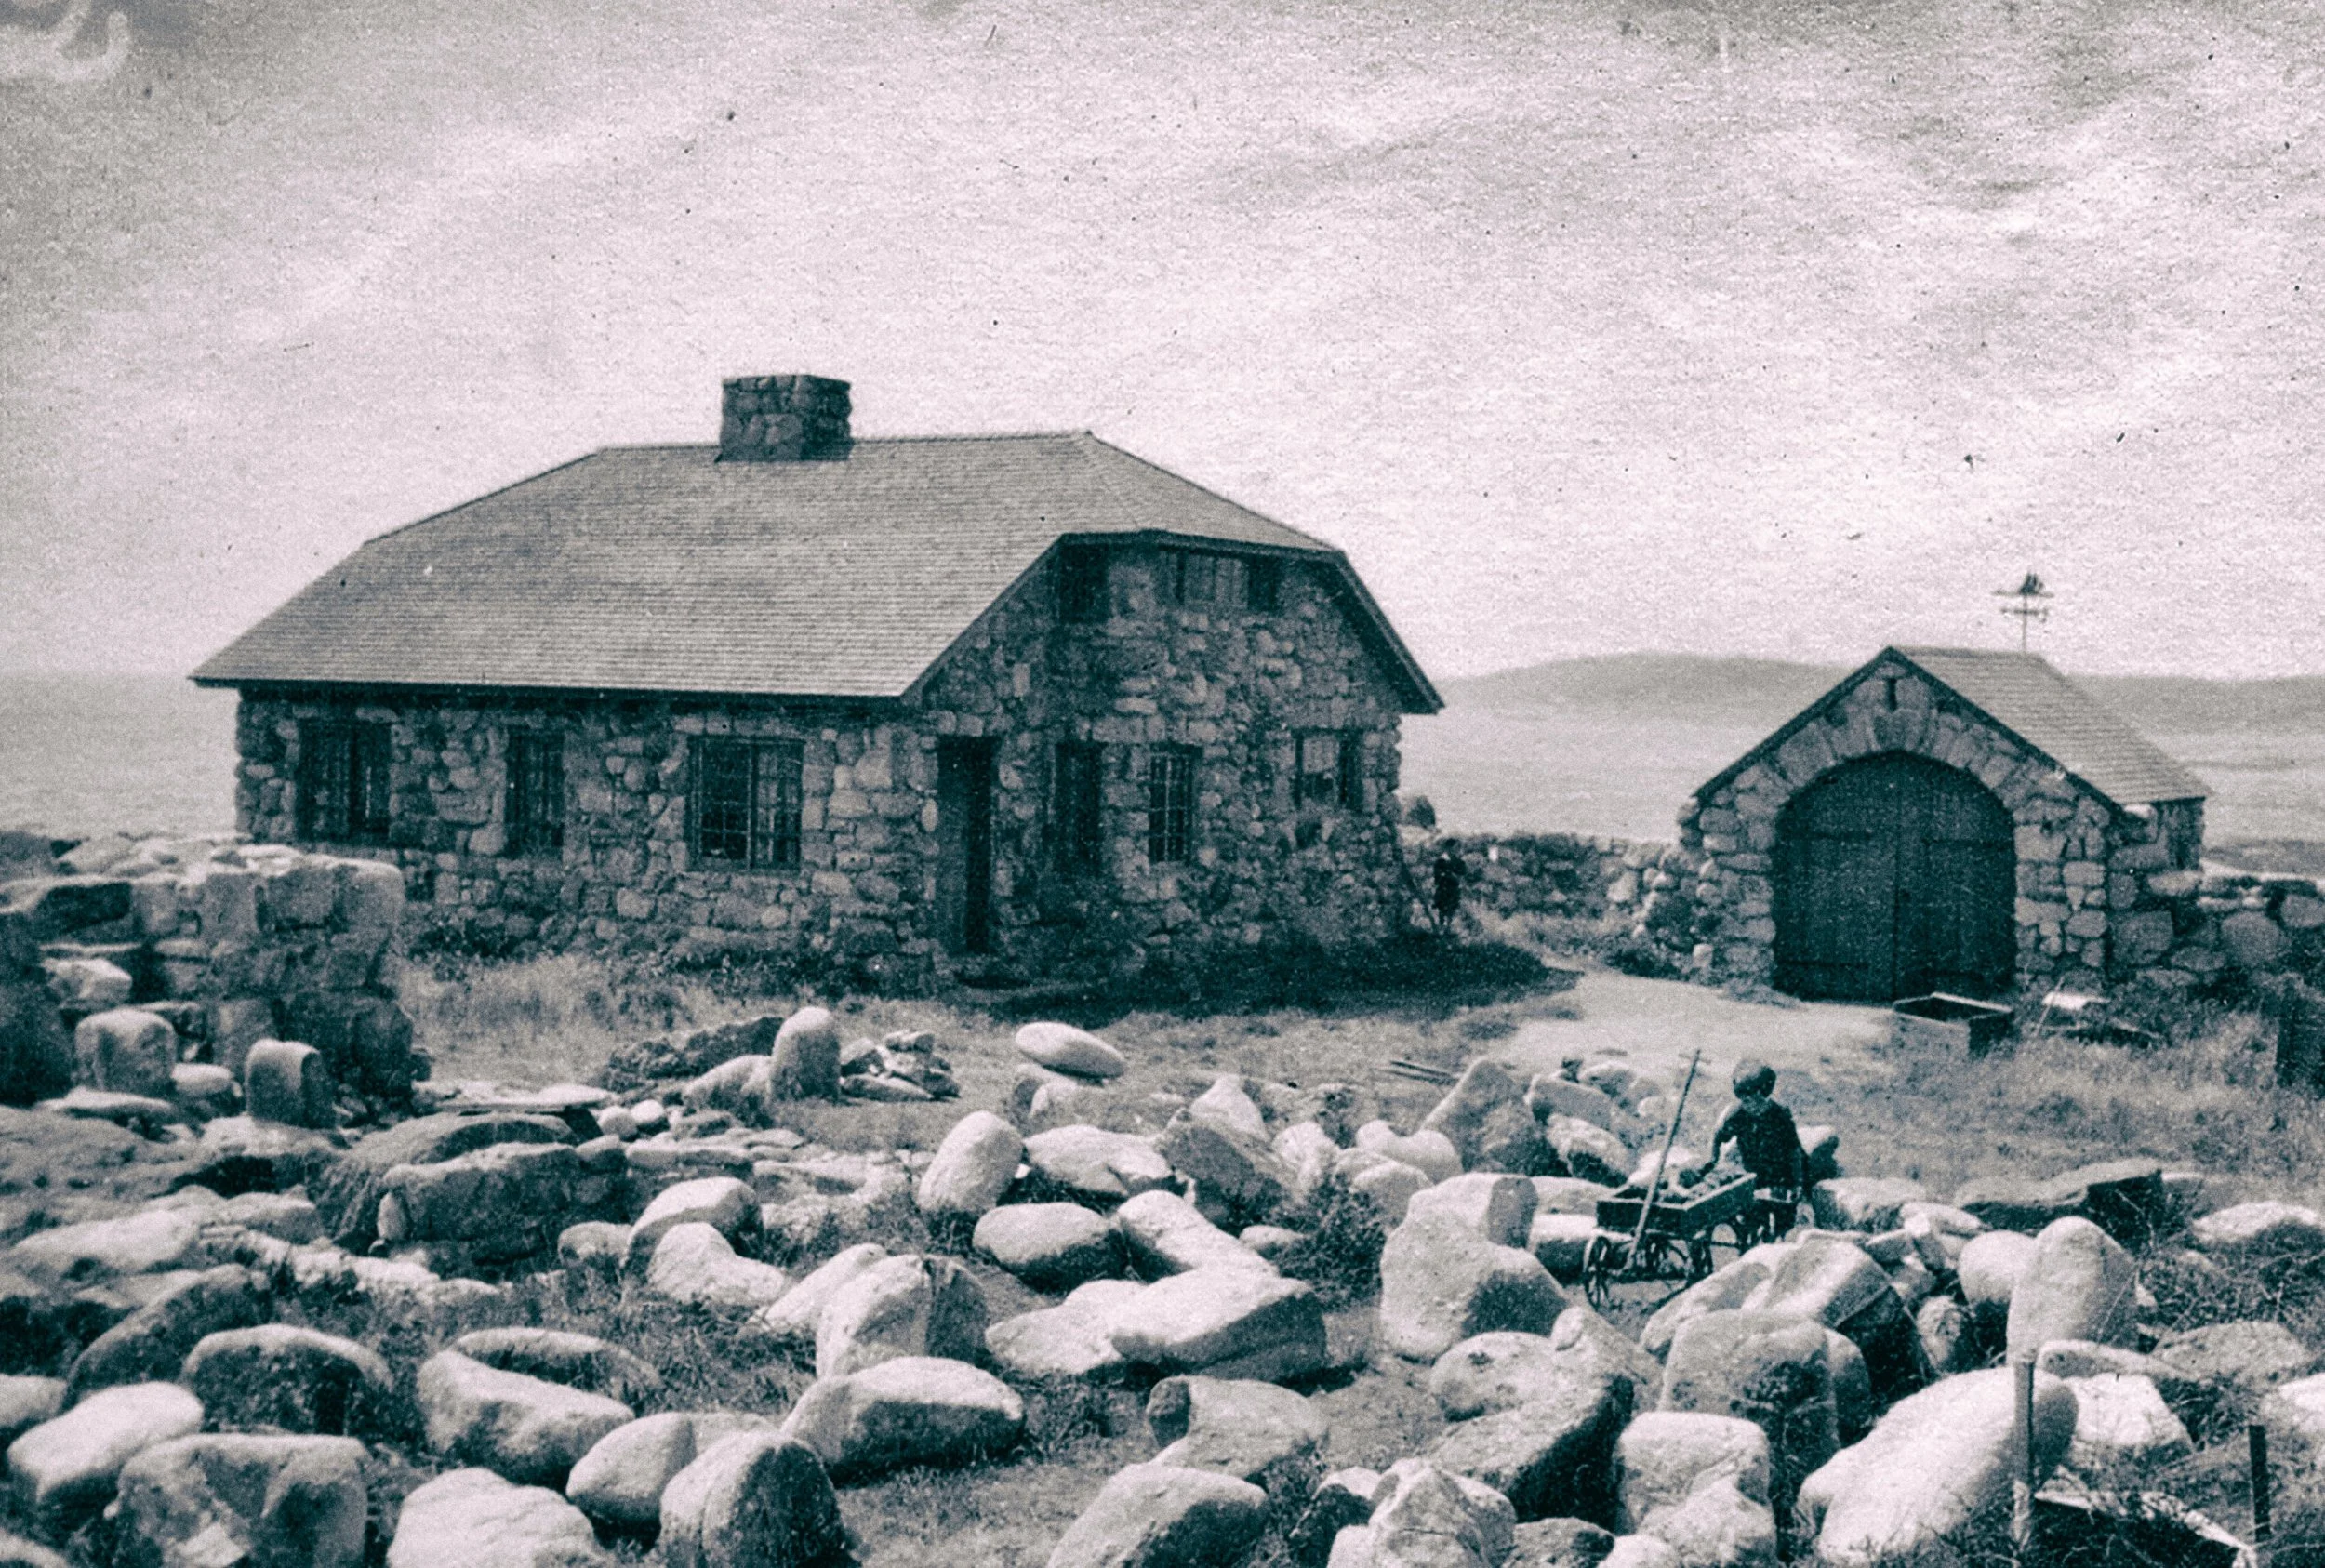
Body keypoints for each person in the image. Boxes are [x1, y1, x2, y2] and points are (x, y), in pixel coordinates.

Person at [1701, 1059, 1805, 1241]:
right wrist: (1713, 1158)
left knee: (1783, 1221)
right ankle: (1754, 1244)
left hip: (1781, 1177)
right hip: (1753, 1175)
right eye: (1744, 1101)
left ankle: (1778, 1241)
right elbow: (1719, 1135)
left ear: (1763, 1095)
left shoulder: (1780, 1116)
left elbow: (1794, 1151)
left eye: (1752, 1101)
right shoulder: (1738, 1114)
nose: (1748, 1106)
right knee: (1753, 1216)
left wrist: (1798, 1182)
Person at [1429, 844, 1467, 933]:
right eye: (1452, 849)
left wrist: (1449, 874)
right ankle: (1441, 926)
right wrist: (1447, 875)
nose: (1454, 851)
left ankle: (1448, 927)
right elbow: (1437, 875)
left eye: (1456, 849)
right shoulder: (1441, 862)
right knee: (1442, 908)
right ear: (1447, 849)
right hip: (1443, 889)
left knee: (1451, 908)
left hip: (1453, 889)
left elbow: (1461, 874)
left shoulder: (1459, 862)